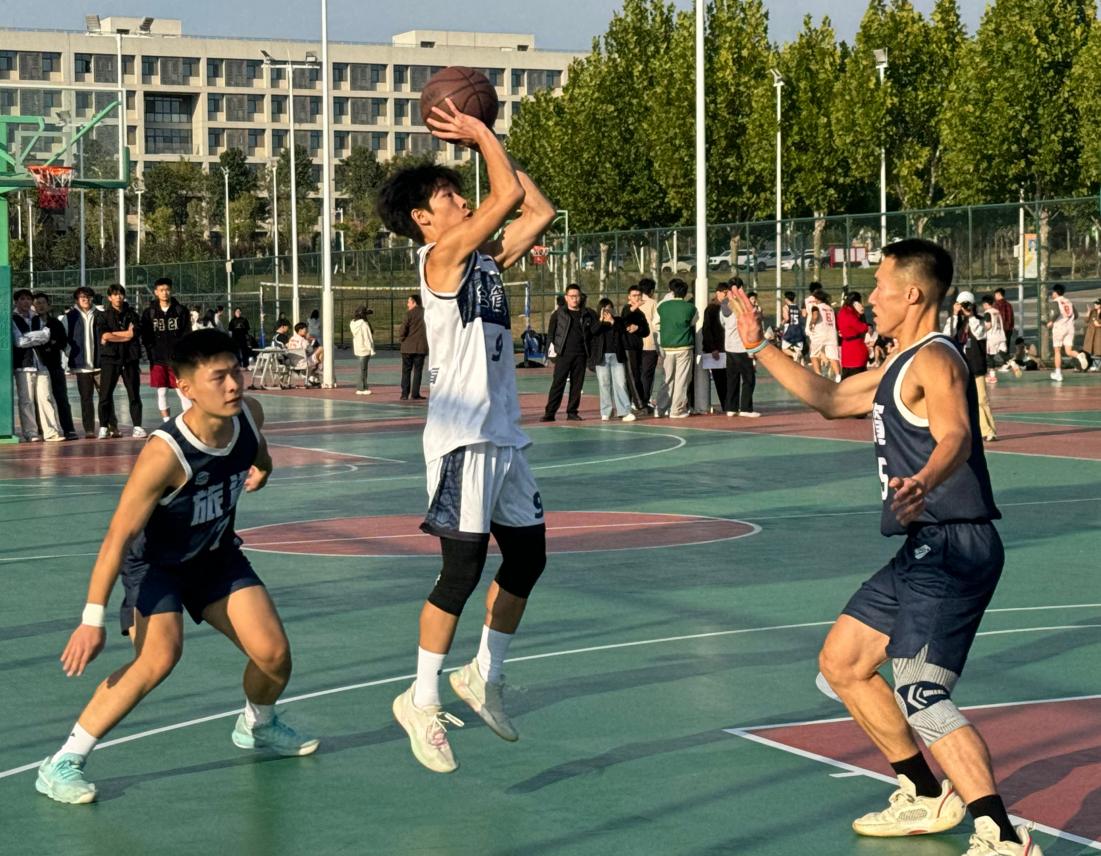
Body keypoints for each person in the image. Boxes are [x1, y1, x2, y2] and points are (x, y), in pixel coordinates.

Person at [733, 238, 1041, 856]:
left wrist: (922, 481)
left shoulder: (937, 360)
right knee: (843, 662)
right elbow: (830, 399)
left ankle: (1004, 837)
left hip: (955, 544)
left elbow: (956, 434)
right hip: (924, 546)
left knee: (920, 688)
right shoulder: (900, 365)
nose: (871, 296)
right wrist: (759, 345)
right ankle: (926, 793)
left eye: (880, 284)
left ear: (913, 293)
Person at [35, 329, 318, 806]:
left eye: (236, 371)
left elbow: (260, 453)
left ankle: (257, 724)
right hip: (156, 566)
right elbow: (117, 536)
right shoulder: (165, 453)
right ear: (186, 388)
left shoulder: (248, 415)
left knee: (273, 654)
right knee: (158, 658)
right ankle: (63, 761)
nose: (234, 384)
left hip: (215, 557)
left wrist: (263, 471)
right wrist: (91, 618)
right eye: (219, 377)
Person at [375, 95, 555, 773]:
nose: (459, 198)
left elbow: (536, 210)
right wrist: (480, 134)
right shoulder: (442, 256)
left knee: (529, 559)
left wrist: (493, 142)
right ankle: (420, 699)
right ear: (424, 219)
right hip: (461, 437)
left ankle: (483, 674)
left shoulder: (483, 262)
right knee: (460, 571)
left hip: (502, 434)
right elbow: (505, 195)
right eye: (448, 195)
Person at [11, 288, 62, 442]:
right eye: (22, 299)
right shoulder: (12, 318)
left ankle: (51, 432)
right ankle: (31, 433)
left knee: (46, 398)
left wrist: (29, 337)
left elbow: (46, 336)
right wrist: (36, 337)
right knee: (26, 401)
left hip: (41, 364)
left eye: (28, 299)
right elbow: (19, 341)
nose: (26, 302)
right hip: (24, 365)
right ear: (16, 302)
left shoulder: (36, 318)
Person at [945, 291, 997, 443]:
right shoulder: (955, 321)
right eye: (962, 305)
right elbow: (947, 335)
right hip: (959, 366)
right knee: (960, 402)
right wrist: (955, 315)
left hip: (975, 365)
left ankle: (989, 431)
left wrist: (971, 315)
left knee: (981, 400)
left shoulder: (979, 320)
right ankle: (967, 431)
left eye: (968, 305)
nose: (965, 307)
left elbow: (980, 334)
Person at [141, 277, 192, 423]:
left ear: (171, 291)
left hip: (176, 360)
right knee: (161, 391)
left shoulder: (180, 310)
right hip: (158, 358)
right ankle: (167, 422)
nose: (165, 293)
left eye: (167, 289)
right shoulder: (149, 312)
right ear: (156, 292)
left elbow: (186, 333)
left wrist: (183, 354)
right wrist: (151, 352)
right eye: (161, 290)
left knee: (182, 391)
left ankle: (188, 421)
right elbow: (146, 335)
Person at [542, 284, 596, 421]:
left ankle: (572, 412)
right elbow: (551, 334)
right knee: (557, 384)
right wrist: (550, 352)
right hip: (563, 354)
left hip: (581, 355)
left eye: (577, 296)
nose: (575, 299)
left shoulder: (587, 314)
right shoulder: (558, 314)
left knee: (577, 385)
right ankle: (550, 413)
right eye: (572, 296)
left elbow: (594, 332)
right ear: (566, 297)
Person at [98, 284, 145, 439]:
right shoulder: (104, 316)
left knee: (134, 394)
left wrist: (114, 335)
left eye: (120, 294)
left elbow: (134, 334)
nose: (118, 297)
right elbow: (105, 336)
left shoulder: (132, 314)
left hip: (130, 358)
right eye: (115, 294)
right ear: (109, 297)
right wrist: (126, 335)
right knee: (105, 395)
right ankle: (103, 427)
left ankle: (137, 426)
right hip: (110, 358)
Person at [33, 292, 79, 440]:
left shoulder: (55, 323)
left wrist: (50, 344)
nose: (40, 306)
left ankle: (69, 429)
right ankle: (41, 430)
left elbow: (62, 341)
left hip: (54, 366)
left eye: (43, 303)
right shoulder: (32, 323)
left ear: (48, 305)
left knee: (62, 399)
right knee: (40, 400)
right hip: (38, 368)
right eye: (37, 303)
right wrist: (48, 342)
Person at [65, 286, 104, 438]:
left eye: (88, 297)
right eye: (82, 297)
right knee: (86, 399)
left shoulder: (100, 314)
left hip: (100, 364)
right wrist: (70, 355)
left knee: (105, 397)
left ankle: (110, 426)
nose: (85, 300)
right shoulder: (70, 317)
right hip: (81, 367)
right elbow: (64, 339)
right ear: (77, 300)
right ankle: (89, 429)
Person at [654, 280, 696, 419]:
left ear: (672, 291)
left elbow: (655, 324)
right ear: (685, 293)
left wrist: (666, 330)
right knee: (682, 380)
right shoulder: (691, 308)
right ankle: (677, 410)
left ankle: (660, 408)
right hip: (684, 347)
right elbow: (693, 322)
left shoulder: (662, 306)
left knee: (667, 379)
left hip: (667, 348)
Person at [589, 297, 636, 422]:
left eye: (610, 309)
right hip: (601, 357)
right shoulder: (597, 322)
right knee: (604, 384)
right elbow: (593, 332)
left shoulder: (618, 321)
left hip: (617, 356)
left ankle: (624, 411)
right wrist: (601, 320)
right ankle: (606, 411)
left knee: (620, 383)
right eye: (605, 309)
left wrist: (612, 321)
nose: (608, 312)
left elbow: (623, 331)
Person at [719, 282, 759, 417]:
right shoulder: (743, 305)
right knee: (749, 379)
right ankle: (746, 409)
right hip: (742, 347)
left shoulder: (724, 306)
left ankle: (731, 407)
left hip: (729, 347)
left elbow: (723, 323)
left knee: (732, 379)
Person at [1047, 284, 1089, 381]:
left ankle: (1058, 373)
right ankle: (1079, 355)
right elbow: (1076, 315)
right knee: (1068, 351)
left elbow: (1056, 313)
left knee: (1057, 351)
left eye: (1052, 292)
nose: (1052, 294)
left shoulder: (1055, 302)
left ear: (1056, 293)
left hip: (1059, 328)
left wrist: (1051, 321)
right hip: (1070, 328)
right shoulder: (1069, 301)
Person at [620, 285, 650, 412]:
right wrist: (636, 305)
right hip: (628, 348)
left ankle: (631, 403)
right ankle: (640, 404)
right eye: (634, 295)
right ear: (629, 297)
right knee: (633, 376)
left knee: (636, 375)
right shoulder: (626, 309)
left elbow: (646, 331)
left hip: (638, 348)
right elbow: (625, 315)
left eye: (639, 295)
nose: (637, 298)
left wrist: (638, 328)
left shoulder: (640, 313)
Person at [701, 282, 729, 412]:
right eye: (725, 293)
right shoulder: (712, 309)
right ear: (718, 293)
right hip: (717, 349)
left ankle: (730, 404)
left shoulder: (728, 307)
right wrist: (712, 348)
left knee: (729, 378)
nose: (727, 295)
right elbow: (707, 329)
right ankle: (726, 405)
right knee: (720, 379)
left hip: (728, 348)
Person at [399, 294, 429, 400]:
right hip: (421, 347)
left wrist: (402, 339)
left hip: (407, 347)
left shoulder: (409, 314)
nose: (407, 304)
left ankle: (404, 394)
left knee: (406, 371)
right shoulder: (426, 313)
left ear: (414, 302)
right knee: (418, 371)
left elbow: (403, 329)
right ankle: (415, 393)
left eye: (409, 302)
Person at [808, 288, 841, 381]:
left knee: (814, 355)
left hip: (820, 333)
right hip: (831, 334)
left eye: (815, 298)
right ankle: (838, 376)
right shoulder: (830, 308)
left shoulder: (816, 307)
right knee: (833, 356)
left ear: (818, 299)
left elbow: (815, 316)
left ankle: (819, 375)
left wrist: (811, 323)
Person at [637, 279, 660, 408]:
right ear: (651, 291)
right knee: (647, 375)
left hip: (635, 344)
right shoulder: (653, 303)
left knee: (636, 373)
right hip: (650, 343)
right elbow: (657, 324)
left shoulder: (633, 303)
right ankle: (645, 401)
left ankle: (636, 400)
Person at [838, 291, 870, 379]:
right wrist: (862, 314)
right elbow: (863, 328)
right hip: (855, 349)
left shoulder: (842, 311)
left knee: (846, 377)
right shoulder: (849, 314)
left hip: (847, 347)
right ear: (855, 303)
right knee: (859, 377)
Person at [980, 294, 1007, 382]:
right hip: (1001, 335)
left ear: (986, 304)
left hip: (992, 337)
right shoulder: (997, 311)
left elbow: (988, 325)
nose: (983, 306)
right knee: (1002, 352)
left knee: (990, 357)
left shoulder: (987, 313)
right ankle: (1011, 363)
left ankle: (992, 377)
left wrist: (981, 330)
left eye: (983, 304)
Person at [350, 304, 375, 395]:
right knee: (363, 369)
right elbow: (367, 338)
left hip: (358, 348)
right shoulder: (364, 324)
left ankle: (363, 387)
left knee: (362, 368)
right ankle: (361, 388)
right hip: (364, 349)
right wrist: (371, 349)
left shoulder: (353, 323)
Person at [780, 290, 806, 364]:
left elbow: (787, 318)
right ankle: (801, 363)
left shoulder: (786, 307)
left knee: (784, 348)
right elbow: (802, 316)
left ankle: (793, 354)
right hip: (798, 329)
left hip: (790, 329)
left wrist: (782, 323)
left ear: (786, 299)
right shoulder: (797, 307)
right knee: (798, 349)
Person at [1084, 298, 1101, 370]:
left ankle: (1097, 366)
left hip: (1099, 334)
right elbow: (1086, 320)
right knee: (1089, 350)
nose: (1095, 305)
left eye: (1097, 303)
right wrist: (1088, 312)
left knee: (1098, 350)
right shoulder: (1092, 311)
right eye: (1095, 303)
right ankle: (1089, 365)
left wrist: (1099, 325)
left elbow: (1098, 324)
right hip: (1091, 334)